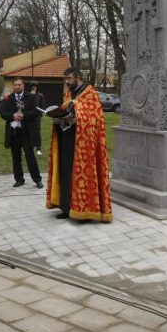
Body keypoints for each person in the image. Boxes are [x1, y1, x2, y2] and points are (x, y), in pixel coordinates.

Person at [45, 68, 112, 222]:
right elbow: (65, 111)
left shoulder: (90, 93)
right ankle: (66, 208)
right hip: (67, 139)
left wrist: (78, 120)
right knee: (65, 172)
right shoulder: (69, 94)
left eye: (69, 79)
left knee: (82, 175)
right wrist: (57, 119)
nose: (66, 82)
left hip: (84, 144)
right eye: (65, 79)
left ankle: (85, 211)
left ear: (78, 77)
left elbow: (95, 118)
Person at [0, 78, 43, 189]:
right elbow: (3, 113)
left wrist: (24, 116)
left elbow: (37, 111)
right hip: (14, 132)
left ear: (23, 86)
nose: (17, 87)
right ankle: (19, 179)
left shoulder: (31, 97)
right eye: (15, 85)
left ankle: (37, 179)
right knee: (16, 157)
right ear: (13, 86)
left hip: (26, 132)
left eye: (19, 85)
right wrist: (13, 115)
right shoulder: (8, 98)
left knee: (30, 156)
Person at [29, 81, 46, 155]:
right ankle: (31, 148)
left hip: (37, 117)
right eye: (32, 86)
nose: (34, 87)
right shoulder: (28, 95)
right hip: (29, 116)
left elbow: (42, 105)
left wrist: (40, 114)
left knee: (37, 132)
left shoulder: (40, 95)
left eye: (35, 86)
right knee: (30, 132)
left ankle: (38, 149)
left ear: (37, 87)